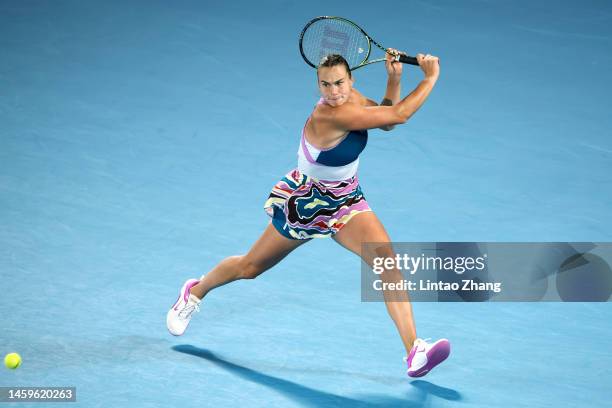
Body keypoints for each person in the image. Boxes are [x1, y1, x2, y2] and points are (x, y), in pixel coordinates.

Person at [167, 49, 450, 378]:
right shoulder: (329, 116)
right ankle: (195, 291)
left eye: (340, 83)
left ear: (351, 80)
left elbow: (385, 120)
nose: (334, 92)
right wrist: (430, 78)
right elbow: (399, 116)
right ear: (317, 86)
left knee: (388, 263)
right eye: (325, 85)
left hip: (346, 199)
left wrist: (394, 79)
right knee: (250, 267)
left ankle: (415, 350)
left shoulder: (352, 99)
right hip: (307, 204)